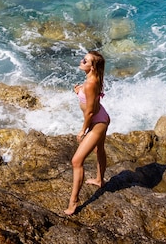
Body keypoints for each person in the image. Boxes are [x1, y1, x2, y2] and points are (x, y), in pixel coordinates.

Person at [64, 51, 110, 215]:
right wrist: (80, 91)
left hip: (98, 122)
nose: (81, 61)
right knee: (99, 149)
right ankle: (99, 180)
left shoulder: (90, 83)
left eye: (85, 60)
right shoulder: (91, 80)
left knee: (76, 161)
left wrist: (83, 130)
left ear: (93, 67)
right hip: (101, 117)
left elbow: (90, 112)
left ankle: (74, 201)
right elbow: (91, 97)